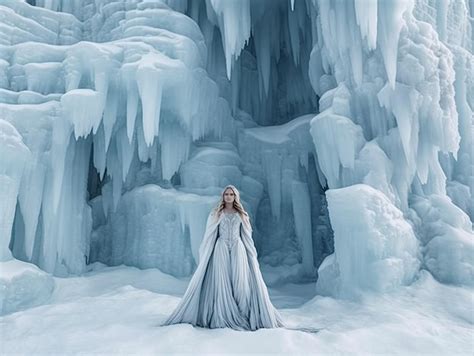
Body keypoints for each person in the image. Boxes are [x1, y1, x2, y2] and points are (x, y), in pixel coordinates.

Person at [163, 184, 285, 331]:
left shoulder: (242, 215)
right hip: (220, 248)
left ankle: (243, 312)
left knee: (240, 281)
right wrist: (207, 254)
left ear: (235, 197)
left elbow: (247, 237)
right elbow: (210, 235)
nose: (229, 196)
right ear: (223, 196)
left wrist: (251, 256)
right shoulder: (216, 213)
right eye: (226, 194)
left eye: (231, 194)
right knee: (222, 280)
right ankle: (222, 313)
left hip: (237, 248)